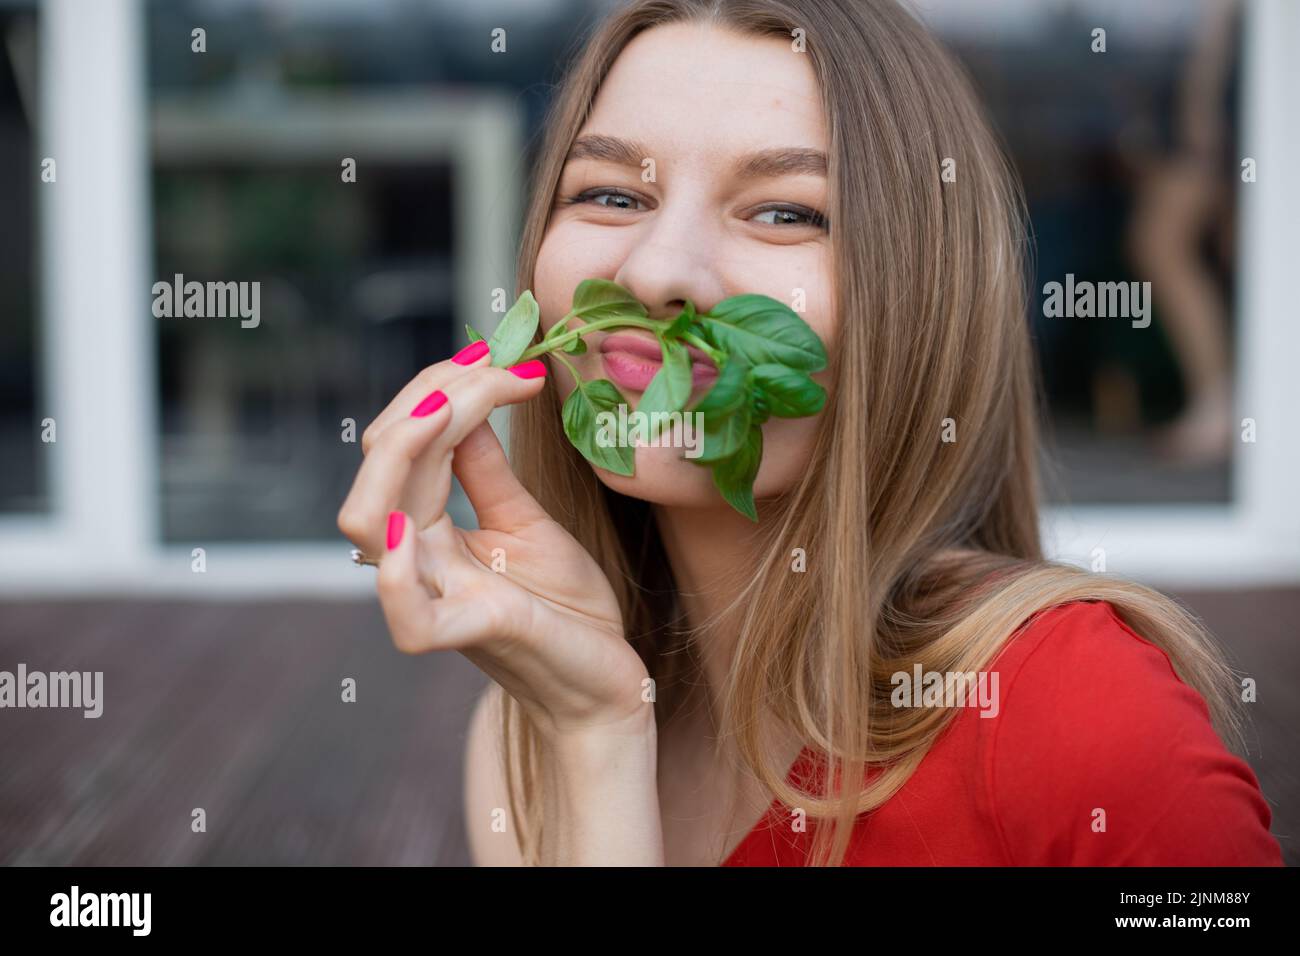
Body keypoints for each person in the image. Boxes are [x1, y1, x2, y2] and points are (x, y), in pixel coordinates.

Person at [337, 0, 1282, 866]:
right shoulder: (526, 737)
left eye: (786, 211)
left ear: (917, 293)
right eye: (612, 194)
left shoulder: (1078, 710)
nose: (661, 270)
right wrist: (597, 734)